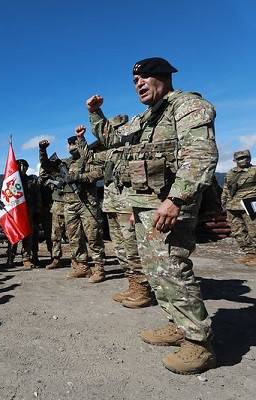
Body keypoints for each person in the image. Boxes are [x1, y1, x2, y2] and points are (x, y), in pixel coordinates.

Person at [86, 57, 218, 374]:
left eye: (145, 77)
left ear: (164, 77)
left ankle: (199, 345)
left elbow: (202, 153)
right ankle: (178, 325)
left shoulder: (186, 105)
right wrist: (95, 114)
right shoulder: (148, 117)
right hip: (149, 206)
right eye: (135, 80)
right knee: (157, 271)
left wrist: (176, 198)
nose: (139, 84)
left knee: (172, 268)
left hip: (172, 203)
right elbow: (114, 138)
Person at [76, 116, 154, 307]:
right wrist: (81, 140)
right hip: (112, 207)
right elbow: (89, 158)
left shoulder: (135, 151)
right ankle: (133, 285)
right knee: (120, 250)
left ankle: (144, 290)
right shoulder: (111, 154)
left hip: (128, 208)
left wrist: (139, 209)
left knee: (133, 250)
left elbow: (142, 182)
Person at [39, 137, 106, 282]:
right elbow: (46, 166)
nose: (71, 145)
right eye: (69, 143)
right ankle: (83, 267)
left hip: (87, 203)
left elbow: (99, 173)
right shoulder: (64, 162)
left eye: (74, 142)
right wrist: (43, 150)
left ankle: (99, 268)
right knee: (74, 238)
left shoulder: (89, 159)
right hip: (69, 205)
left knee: (93, 236)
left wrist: (79, 177)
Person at [221, 149, 256, 266]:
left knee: (254, 231)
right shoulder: (231, 173)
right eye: (241, 158)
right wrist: (222, 202)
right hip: (233, 205)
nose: (244, 160)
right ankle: (249, 254)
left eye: (246, 157)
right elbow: (226, 188)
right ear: (234, 160)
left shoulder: (254, 170)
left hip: (251, 203)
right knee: (238, 231)